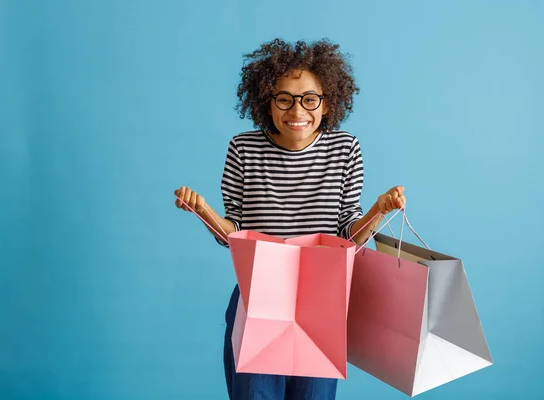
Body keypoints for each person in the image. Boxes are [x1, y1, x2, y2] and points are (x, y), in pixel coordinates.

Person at [174, 38, 406, 400]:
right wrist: (201, 210)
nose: (297, 110)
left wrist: (379, 210)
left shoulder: (345, 149)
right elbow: (232, 234)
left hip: (320, 303)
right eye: (284, 98)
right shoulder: (243, 148)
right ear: (267, 101)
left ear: (327, 102)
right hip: (257, 298)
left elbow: (348, 234)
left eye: (309, 98)